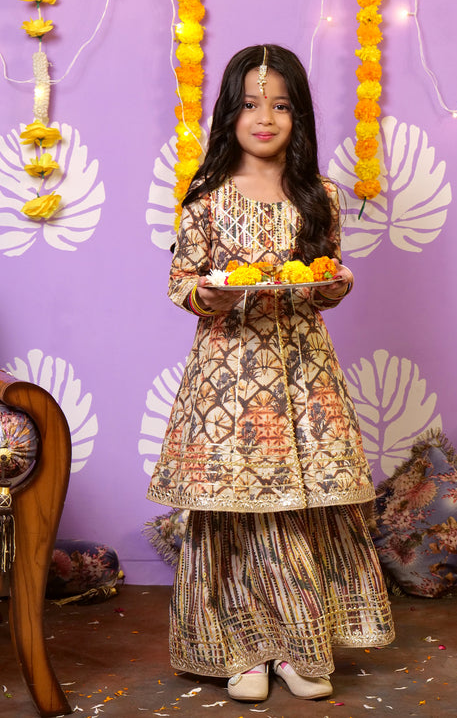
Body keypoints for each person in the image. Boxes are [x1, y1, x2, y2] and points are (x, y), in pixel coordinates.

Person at [147, 44, 394, 703]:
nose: (265, 117)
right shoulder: (204, 199)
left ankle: (296, 649)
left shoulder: (321, 198)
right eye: (251, 104)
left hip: (302, 374)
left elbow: (320, 283)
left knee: (294, 510)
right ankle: (240, 650)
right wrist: (212, 294)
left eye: (280, 105)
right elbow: (181, 284)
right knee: (234, 514)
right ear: (230, 113)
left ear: (299, 117)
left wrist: (334, 285)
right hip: (226, 377)